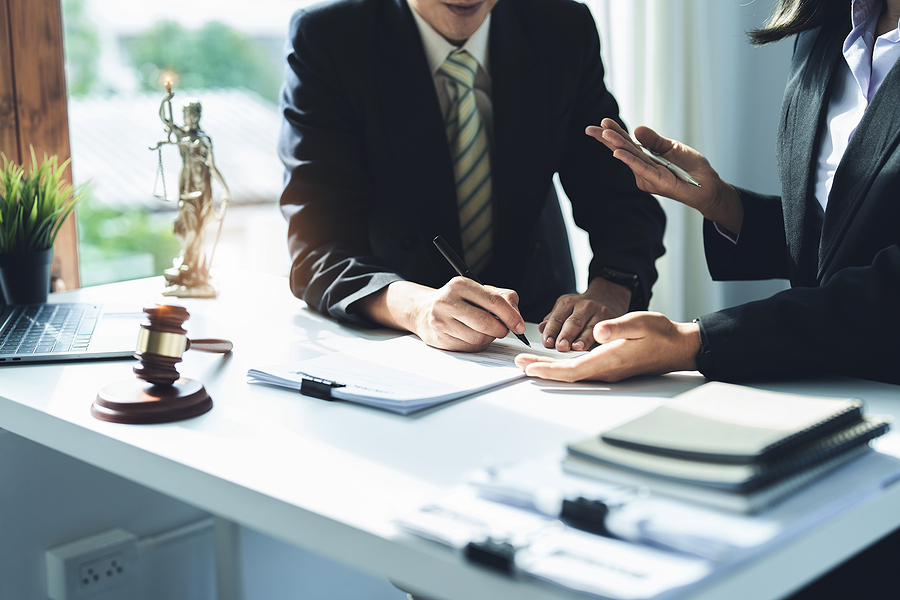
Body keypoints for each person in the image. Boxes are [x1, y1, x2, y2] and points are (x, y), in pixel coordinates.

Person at [516, 0, 900, 387]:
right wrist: (722, 203)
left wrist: (694, 343)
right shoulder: (825, 31)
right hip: (822, 384)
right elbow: (841, 248)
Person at [277, 0, 666, 354]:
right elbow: (317, 246)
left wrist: (611, 288)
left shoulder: (561, 26)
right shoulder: (330, 37)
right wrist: (416, 307)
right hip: (394, 333)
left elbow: (620, 199)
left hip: (541, 329)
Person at [153, 91, 230, 298]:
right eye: (189, 114)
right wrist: (165, 100)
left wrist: (225, 188)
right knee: (189, 230)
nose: (193, 118)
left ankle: (197, 269)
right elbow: (165, 119)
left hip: (203, 189)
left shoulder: (205, 139)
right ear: (184, 116)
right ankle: (187, 265)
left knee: (200, 229)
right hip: (187, 190)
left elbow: (212, 167)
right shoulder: (181, 136)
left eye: (197, 114)